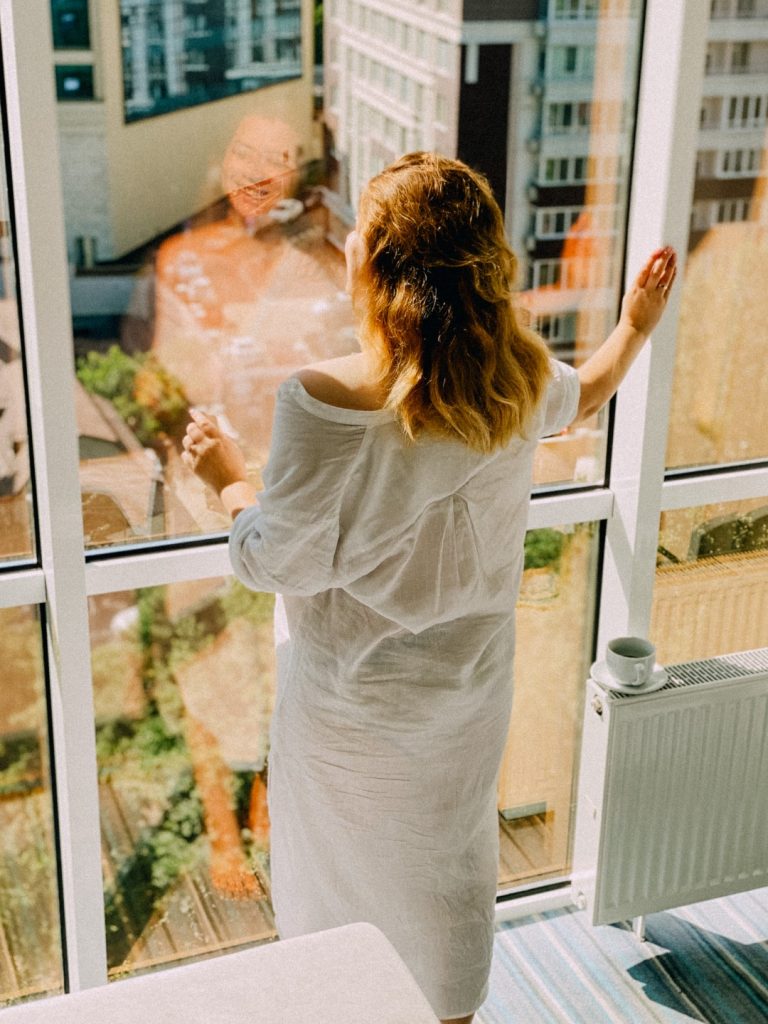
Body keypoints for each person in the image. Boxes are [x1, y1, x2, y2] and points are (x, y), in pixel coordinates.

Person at [181, 152, 676, 1024]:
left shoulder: (321, 401)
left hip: (348, 719)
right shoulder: (512, 380)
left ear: (371, 263)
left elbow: (272, 562)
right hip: (462, 702)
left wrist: (227, 476)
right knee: (447, 873)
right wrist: (634, 324)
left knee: (337, 898)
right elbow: (587, 393)